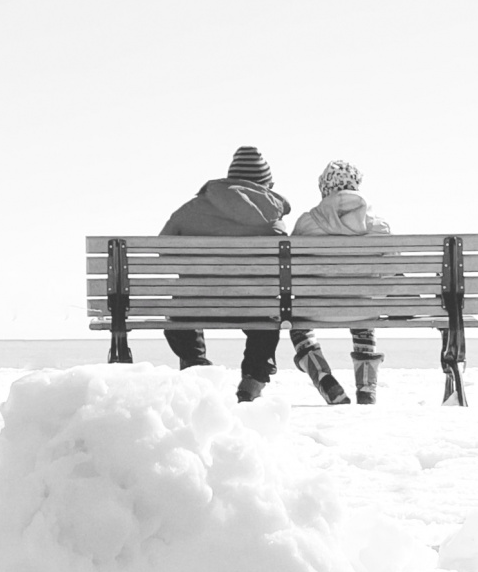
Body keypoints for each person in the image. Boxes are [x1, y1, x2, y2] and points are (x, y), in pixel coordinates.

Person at [162, 145, 290, 401]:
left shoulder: (191, 209)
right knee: (267, 321)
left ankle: (197, 368)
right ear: (266, 185)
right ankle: (252, 380)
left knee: (180, 314)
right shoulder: (272, 220)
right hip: (253, 305)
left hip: (194, 304)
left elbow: (164, 252)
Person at [291, 160, 382, 405]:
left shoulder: (306, 223)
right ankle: (366, 390)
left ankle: (324, 379)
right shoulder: (378, 226)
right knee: (364, 316)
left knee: (297, 324)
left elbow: (291, 269)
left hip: (314, 309)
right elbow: (391, 271)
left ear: (324, 188)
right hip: (362, 309)